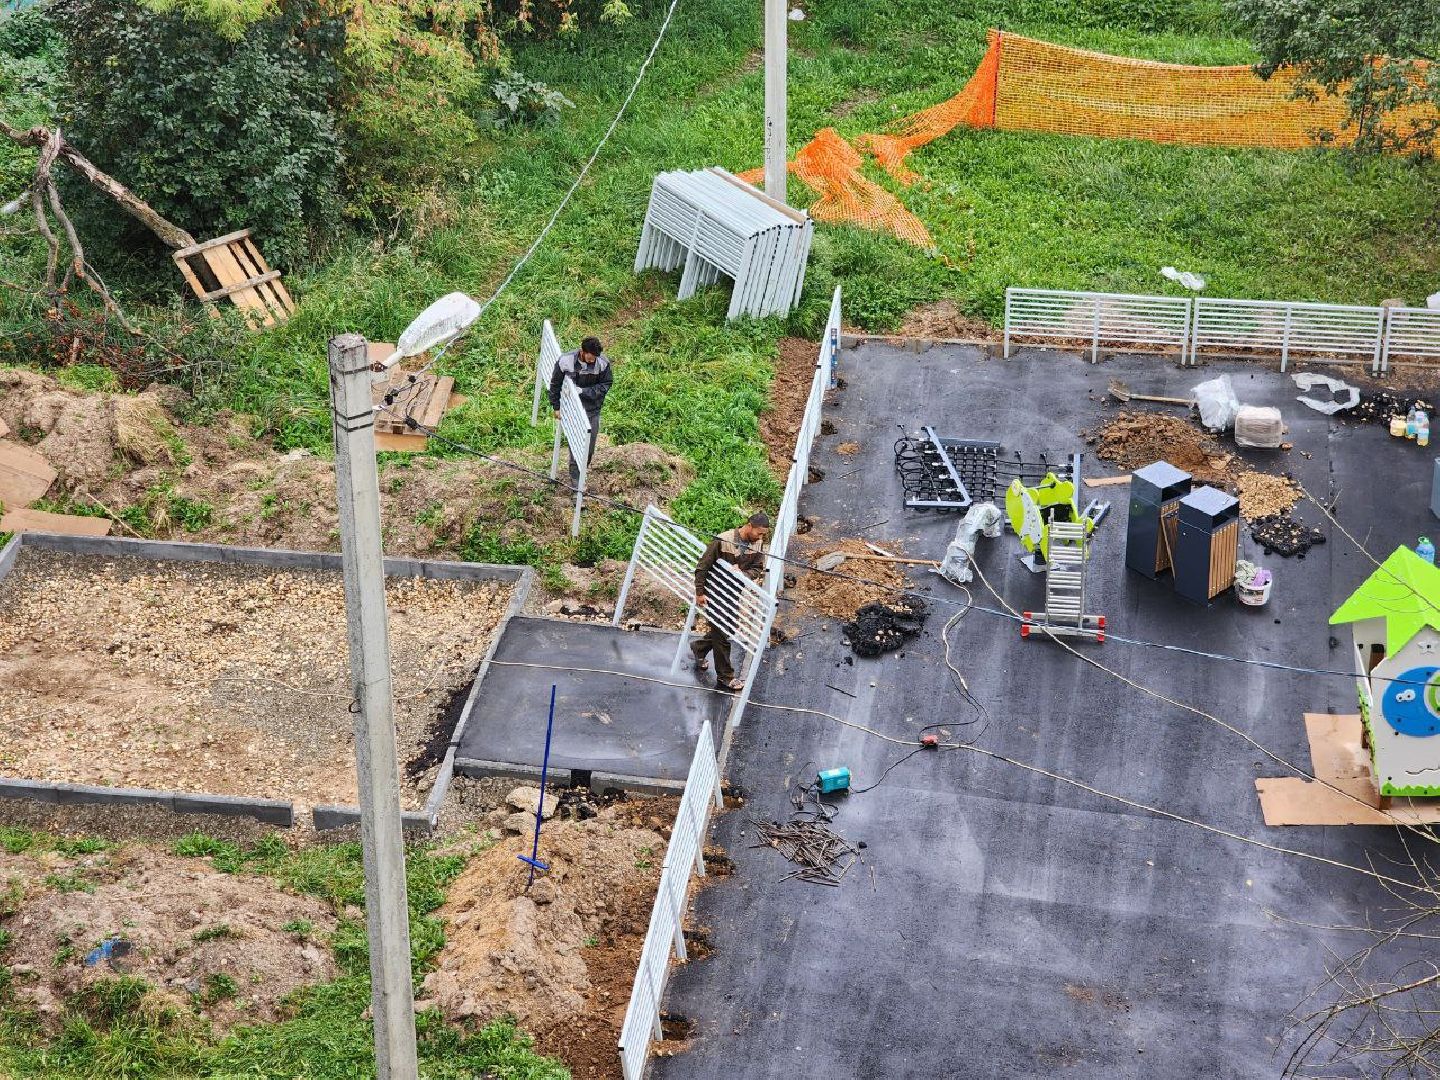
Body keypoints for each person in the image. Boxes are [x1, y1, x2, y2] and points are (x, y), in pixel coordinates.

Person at [692, 511, 771, 691]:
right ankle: (725, 676)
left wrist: (742, 574)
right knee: (721, 633)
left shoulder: (757, 544)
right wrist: (699, 592)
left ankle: (699, 648)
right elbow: (702, 566)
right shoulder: (722, 540)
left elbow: (757, 568)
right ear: (749, 526)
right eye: (759, 532)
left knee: (727, 629)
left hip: (732, 593)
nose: (760, 537)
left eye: (763, 534)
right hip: (714, 591)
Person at [548, 335, 613, 481]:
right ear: (582, 351)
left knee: (588, 449)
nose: (592, 361)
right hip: (571, 409)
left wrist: (583, 392)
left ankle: (581, 471)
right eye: (590, 358)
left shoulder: (602, 363)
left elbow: (605, 385)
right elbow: (555, 384)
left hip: (592, 409)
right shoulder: (566, 361)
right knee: (576, 445)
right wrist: (556, 406)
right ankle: (576, 482)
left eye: (595, 358)